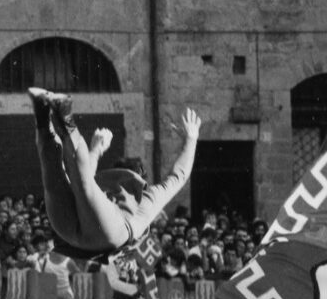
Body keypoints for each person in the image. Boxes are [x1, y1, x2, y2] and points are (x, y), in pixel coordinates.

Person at [29, 87, 200, 258]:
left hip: (71, 231)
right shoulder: (147, 198)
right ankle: (54, 115)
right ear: (141, 177)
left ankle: (45, 115)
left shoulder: (102, 184)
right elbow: (179, 176)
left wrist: (96, 150)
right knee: (60, 179)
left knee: (54, 178)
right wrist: (191, 139)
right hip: (101, 234)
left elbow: (83, 178)